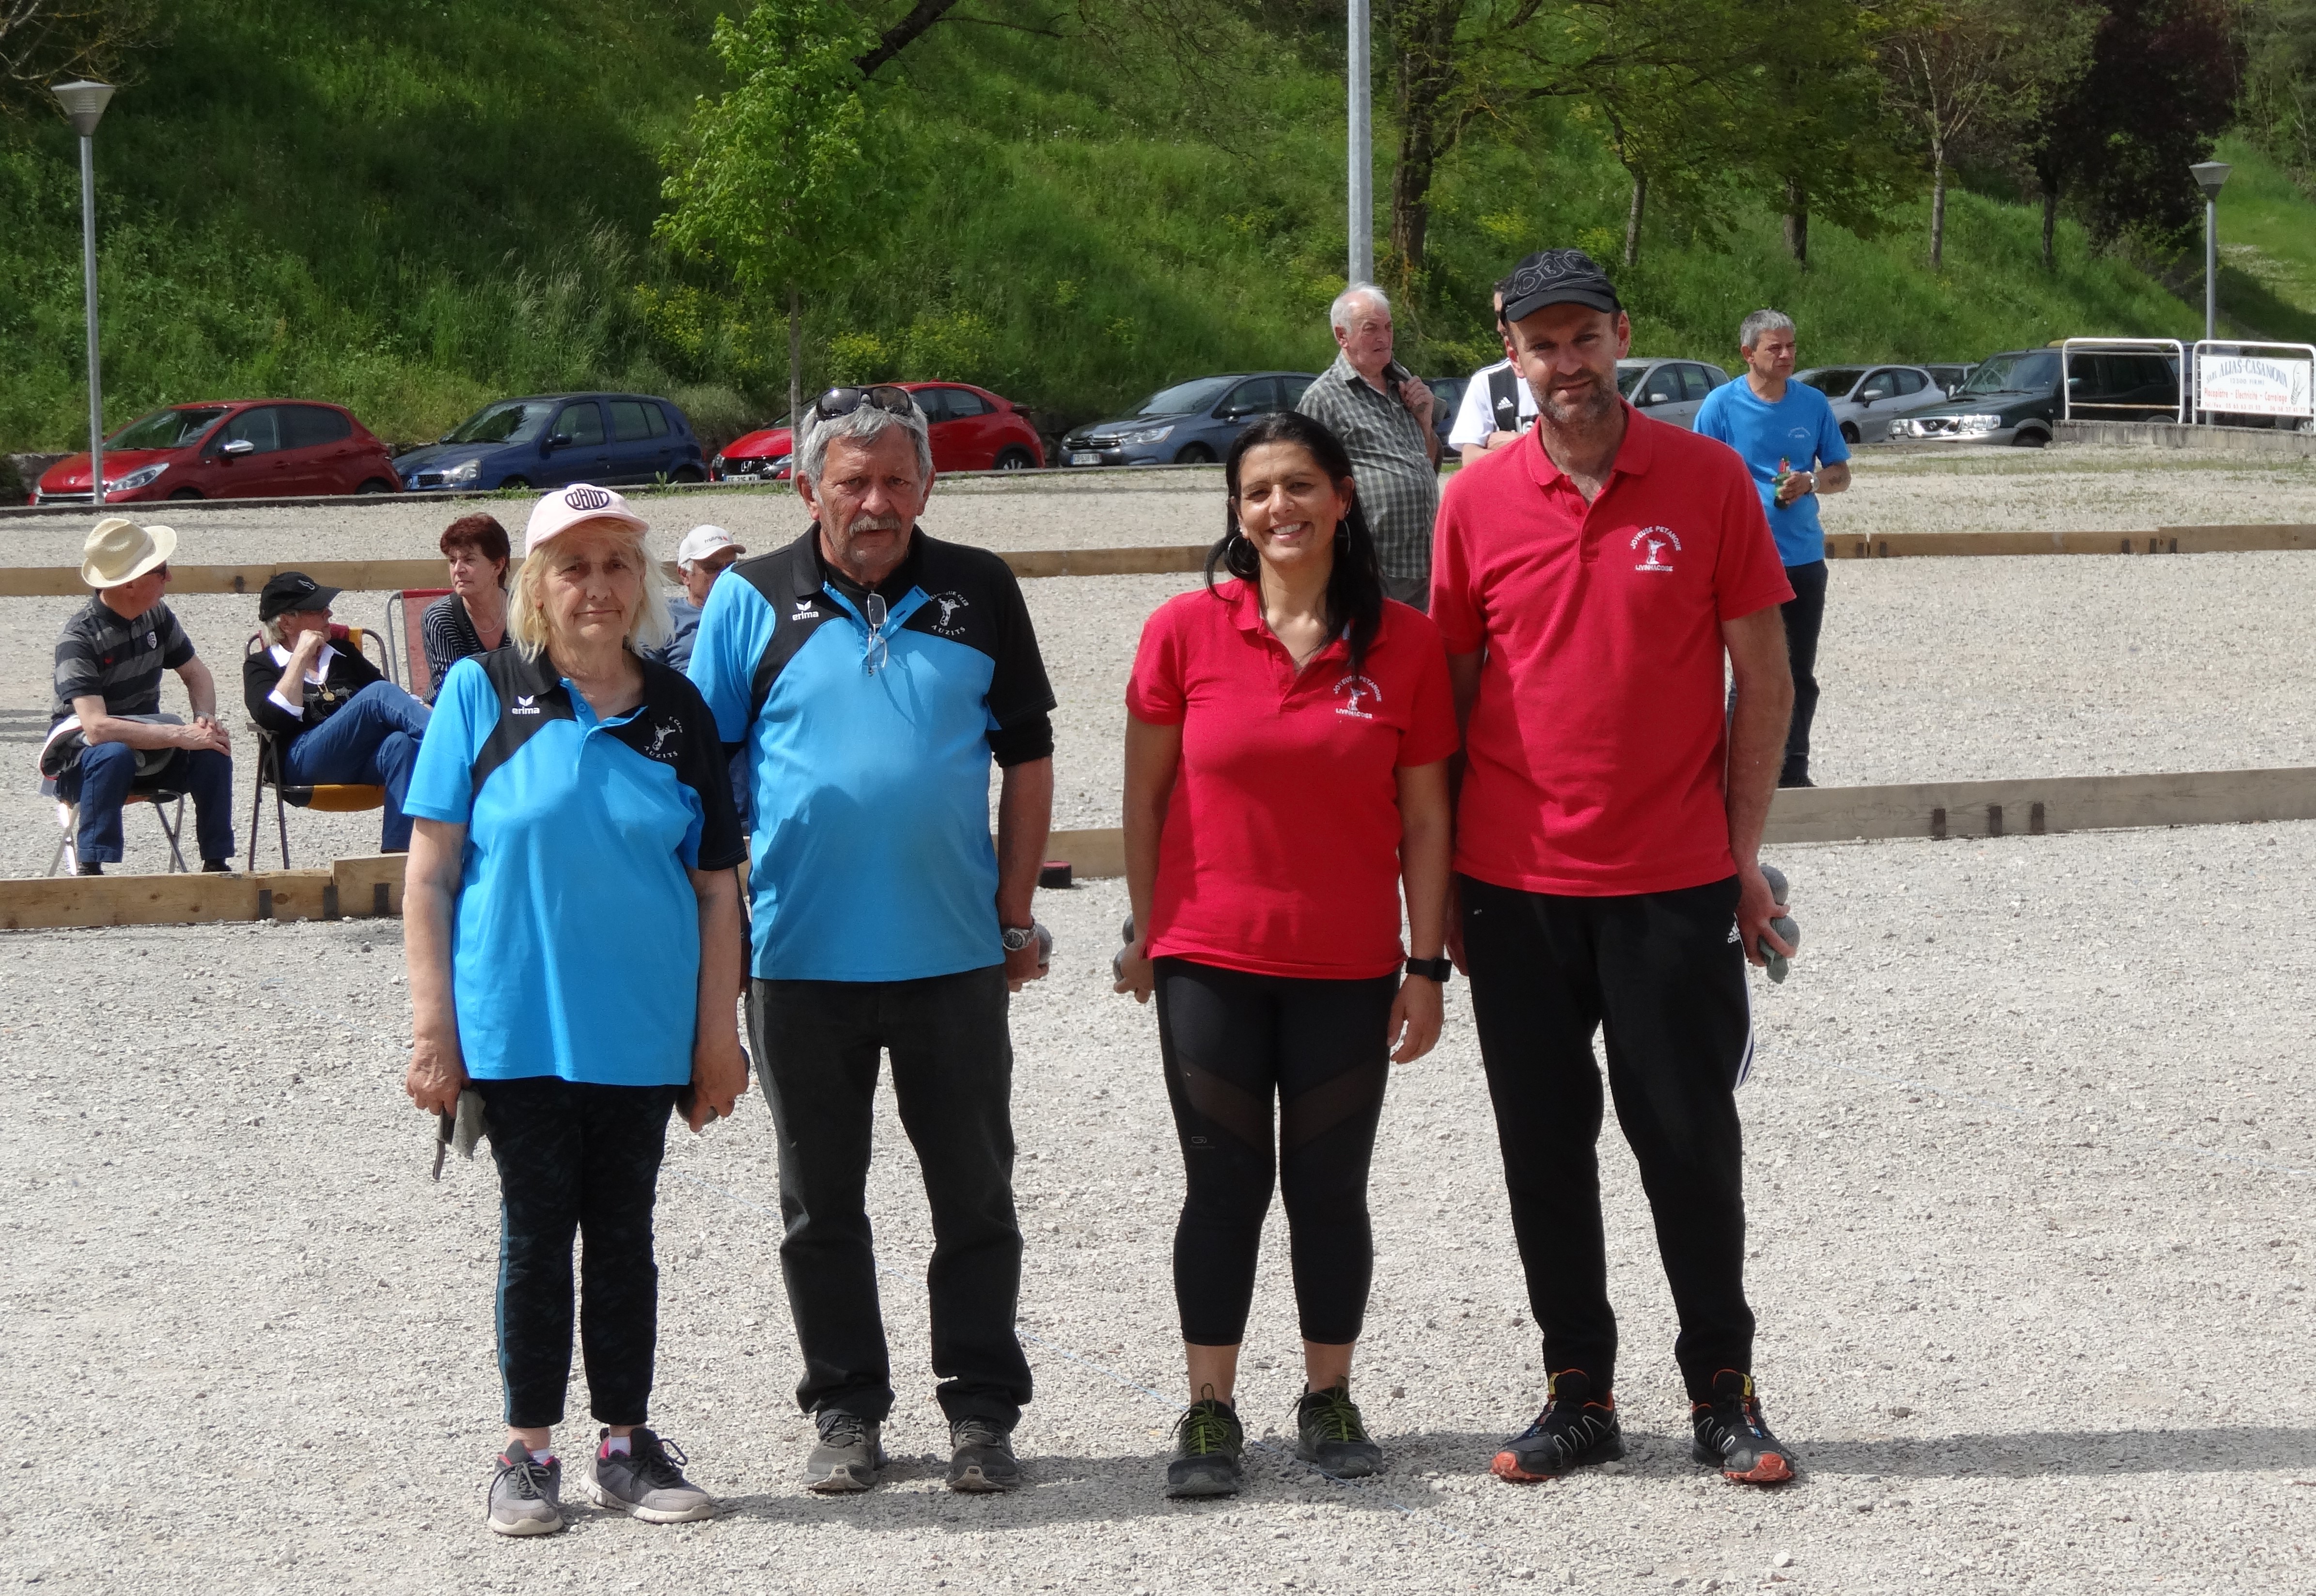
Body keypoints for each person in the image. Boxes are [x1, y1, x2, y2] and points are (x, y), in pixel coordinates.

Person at [1429, 249, 1801, 1487]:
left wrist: (1736, 856)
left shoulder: (1705, 480)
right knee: (1543, 1151)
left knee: (1687, 1145)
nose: (1565, 363)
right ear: (1510, 356)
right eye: (1540, 344)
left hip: (1668, 883)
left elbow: (1764, 683)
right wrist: (1439, 891)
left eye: (1582, 337)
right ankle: (1576, 1390)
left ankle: (1721, 1390)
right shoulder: (1474, 501)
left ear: (1620, 336)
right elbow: (1449, 706)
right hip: (1514, 887)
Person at [687, 386, 1055, 1497]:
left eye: (897, 480)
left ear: (927, 487)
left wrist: (1013, 910)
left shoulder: (980, 588)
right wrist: (713, 946)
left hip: (952, 957)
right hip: (797, 961)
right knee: (819, 1206)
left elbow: (1027, 757)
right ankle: (845, 1409)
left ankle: (980, 1412)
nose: (876, 503)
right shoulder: (748, 599)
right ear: (808, 489)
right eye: (853, 481)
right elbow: (698, 778)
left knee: (974, 1198)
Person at [1115, 410, 1456, 1499]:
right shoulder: (1183, 631)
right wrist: (1144, 931)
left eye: (1300, 485)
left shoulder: (1405, 643)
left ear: (1343, 498)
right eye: (1258, 490)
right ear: (1237, 509)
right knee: (1222, 1186)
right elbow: (1144, 797)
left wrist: (1426, 965)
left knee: (1329, 1188)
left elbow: (1427, 819)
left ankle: (1327, 1394)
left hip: (1347, 966)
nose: (1279, 508)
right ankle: (1209, 1408)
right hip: (1209, 957)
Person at [401, 483, 747, 1538]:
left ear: (642, 583)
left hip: (640, 1031)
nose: (597, 586)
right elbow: (430, 874)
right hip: (517, 1028)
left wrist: (717, 1034)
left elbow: (716, 887)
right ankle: (529, 1451)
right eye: (573, 567)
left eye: (616, 565)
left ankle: (625, 1444)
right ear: (537, 585)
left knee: (626, 1238)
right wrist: (432, 1029)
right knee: (537, 1235)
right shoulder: (481, 690)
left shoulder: (679, 709)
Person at [1693, 309, 1850, 789]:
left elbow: (1840, 474)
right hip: (1745, 561)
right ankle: (1739, 776)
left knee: (1798, 673)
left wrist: (1811, 482)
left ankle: (1794, 771)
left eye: (1791, 347)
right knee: (1750, 675)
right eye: (1774, 348)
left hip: (1803, 559)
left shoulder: (1812, 404)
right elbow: (1697, 481)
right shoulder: (1721, 405)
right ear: (1748, 354)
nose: (1786, 356)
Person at [43, 516, 235, 875]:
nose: (169, 578)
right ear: (130, 583)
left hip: (146, 747)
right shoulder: (78, 639)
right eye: (161, 571)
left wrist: (204, 720)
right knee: (112, 753)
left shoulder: (157, 616)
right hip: (83, 760)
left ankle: (217, 864)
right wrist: (179, 734)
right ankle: (91, 871)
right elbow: (97, 728)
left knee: (213, 747)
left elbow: (197, 674)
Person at [241, 571, 433, 852]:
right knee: (378, 694)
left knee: (400, 744)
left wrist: (418, 705)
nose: (329, 613)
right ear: (286, 622)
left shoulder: (343, 653)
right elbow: (271, 718)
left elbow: (392, 706)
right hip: (300, 764)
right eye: (317, 609)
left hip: (358, 762)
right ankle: (456, 747)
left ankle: (396, 857)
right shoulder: (261, 665)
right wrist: (300, 657)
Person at [1295, 283, 1440, 610]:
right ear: (1342, 336)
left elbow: (1427, 465)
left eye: (1388, 327)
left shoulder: (1404, 386)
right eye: (1371, 329)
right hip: (1373, 566)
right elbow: (1303, 482)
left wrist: (1425, 423)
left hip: (1426, 563)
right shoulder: (1324, 398)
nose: (1384, 338)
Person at [420, 514, 513, 699]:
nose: (458, 570)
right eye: (452, 561)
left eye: (469, 560)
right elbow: (450, 693)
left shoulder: (526, 609)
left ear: (497, 566)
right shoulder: (441, 618)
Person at [1446, 282, 1539, 467]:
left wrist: (1517, 444)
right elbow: (1471, 459)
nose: (1499, 327)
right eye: (1497, 315)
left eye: (1506, 314)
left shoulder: (1569, 374)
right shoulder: (1487, 382)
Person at [646, 524, 746, 672]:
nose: (725, 575)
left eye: (731, 567)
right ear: (685, 575)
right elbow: (643, 675)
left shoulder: (750, 612)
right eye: (712, 568)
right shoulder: (664, 617)